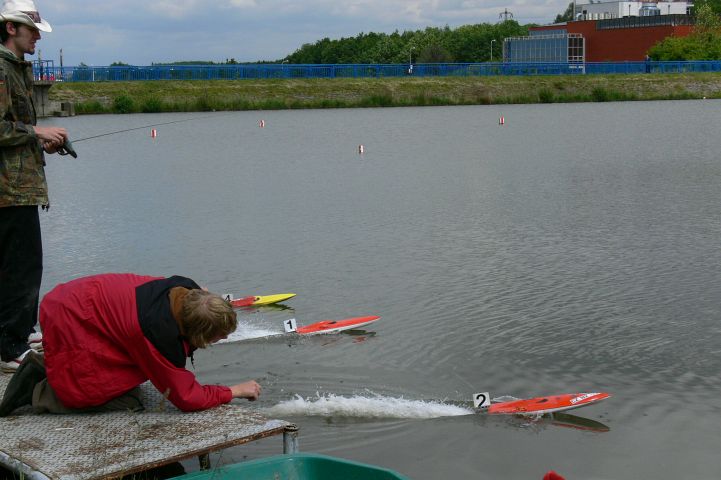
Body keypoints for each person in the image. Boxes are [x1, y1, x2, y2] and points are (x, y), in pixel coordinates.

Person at [0, 273, 261, 416]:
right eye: (218, 336)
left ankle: (57, 369)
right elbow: (187, 398)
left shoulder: (185, 291)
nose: (223, 339)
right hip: (73, 318)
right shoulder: (157, 332)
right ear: (198, 331)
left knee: (134, 373)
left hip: (71, 299)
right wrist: (234, 390)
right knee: (110, 397)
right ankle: (38, 391)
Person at [0, 0, 69, 372]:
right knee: (23, 268)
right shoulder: (1, 68)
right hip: (10, 191)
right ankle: (12, 347)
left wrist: (39, 141)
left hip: (16, 185)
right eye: (33, 31)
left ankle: (13, 336)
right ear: (11, 28)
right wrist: (36, 131)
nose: (38, 38)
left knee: (12, 266)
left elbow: (11, 129)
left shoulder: (14, 68)